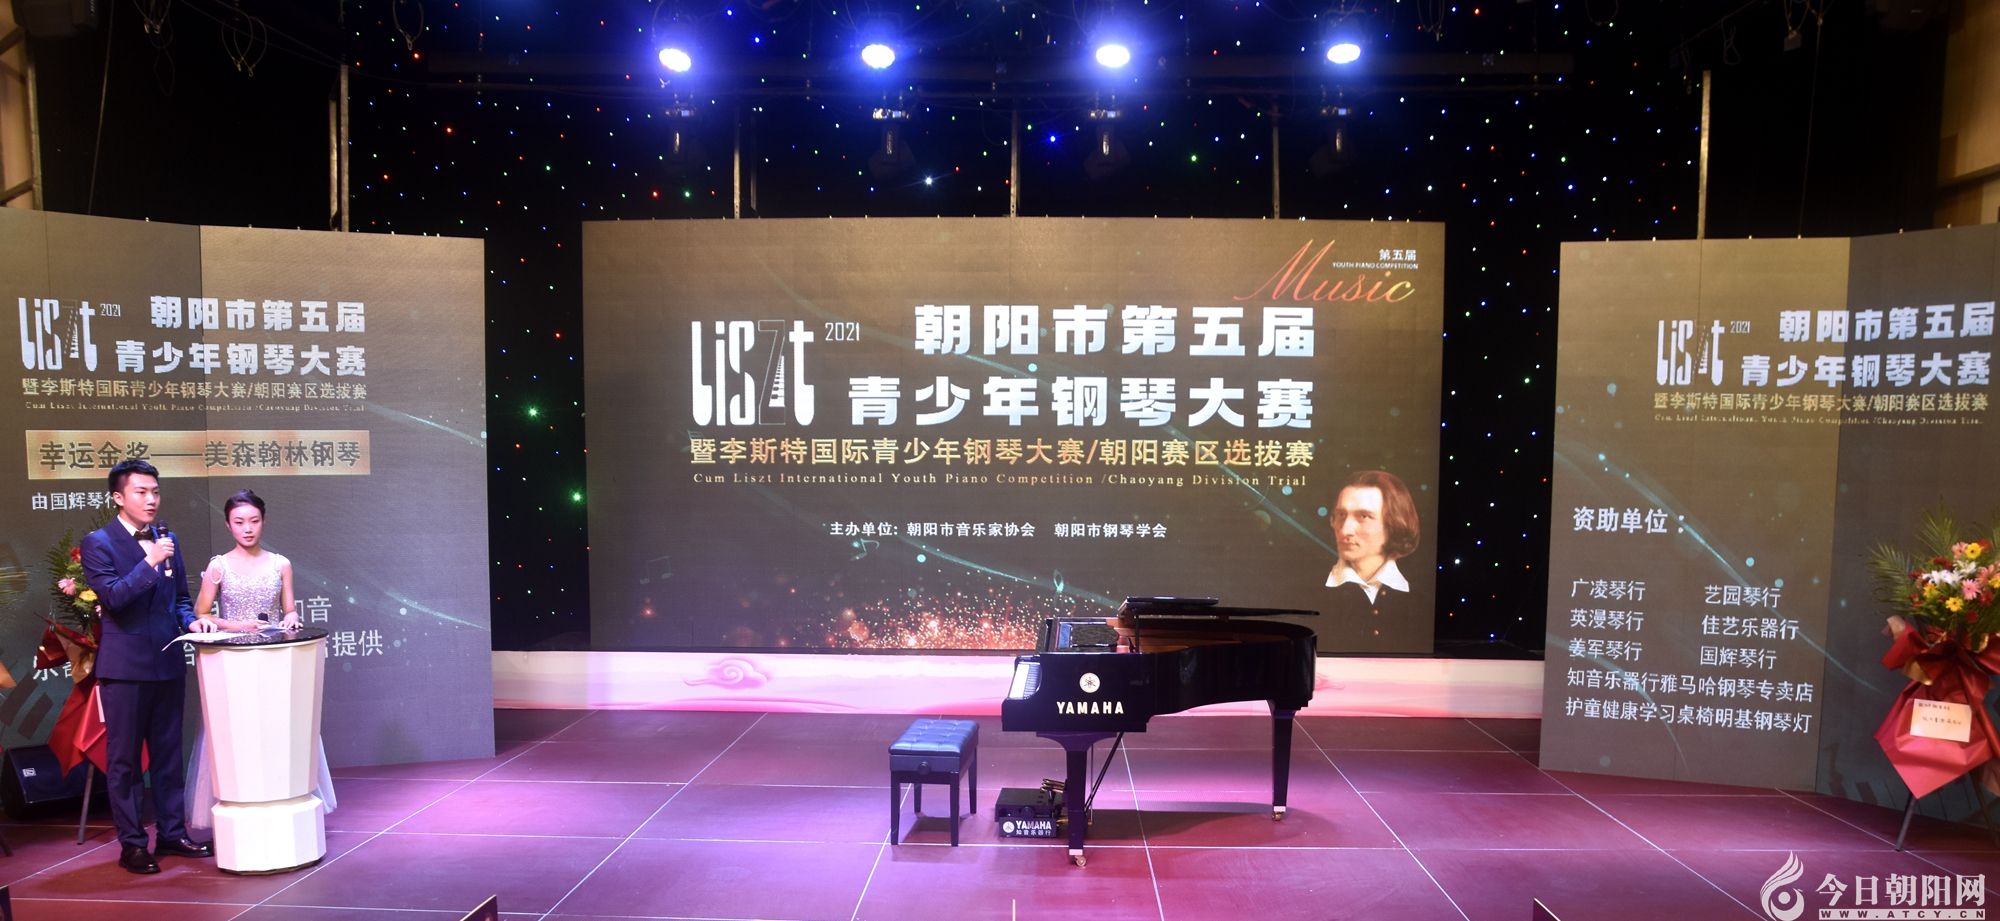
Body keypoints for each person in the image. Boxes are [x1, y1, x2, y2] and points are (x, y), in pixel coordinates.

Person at [80, 458, 213, 874]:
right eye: (141, 492)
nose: (151, 499)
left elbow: (180, 598)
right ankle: (133, 844)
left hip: (168, 663)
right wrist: (150, 561)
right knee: (124, 762)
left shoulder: (167, 538)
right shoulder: (98, 543)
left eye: (155, 491)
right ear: (118, 497)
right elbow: (114, 598)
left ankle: (172, 833)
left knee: (168, 755)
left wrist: (192, 621)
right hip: (124, 670)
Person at [185, 489, 335, 832]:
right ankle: (243, 799)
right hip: (234, 662)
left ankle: (282, 795)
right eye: (239, 522)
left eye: (253, 521)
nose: (247, 528)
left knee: (278, 728)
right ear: (228, 525)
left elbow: (289, 608)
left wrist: (291, 618)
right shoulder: (218, 566)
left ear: (263, 522)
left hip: (274, 660)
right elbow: (201, 612)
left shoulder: (281, 564)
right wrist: (235, 626)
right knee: (239, 734)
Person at [1324, 469, 1423, 636]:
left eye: (1363, 516)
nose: (1345, 530)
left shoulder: (1420, 598)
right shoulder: (1305, 589)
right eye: (1341, 515)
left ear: (1394, 524)